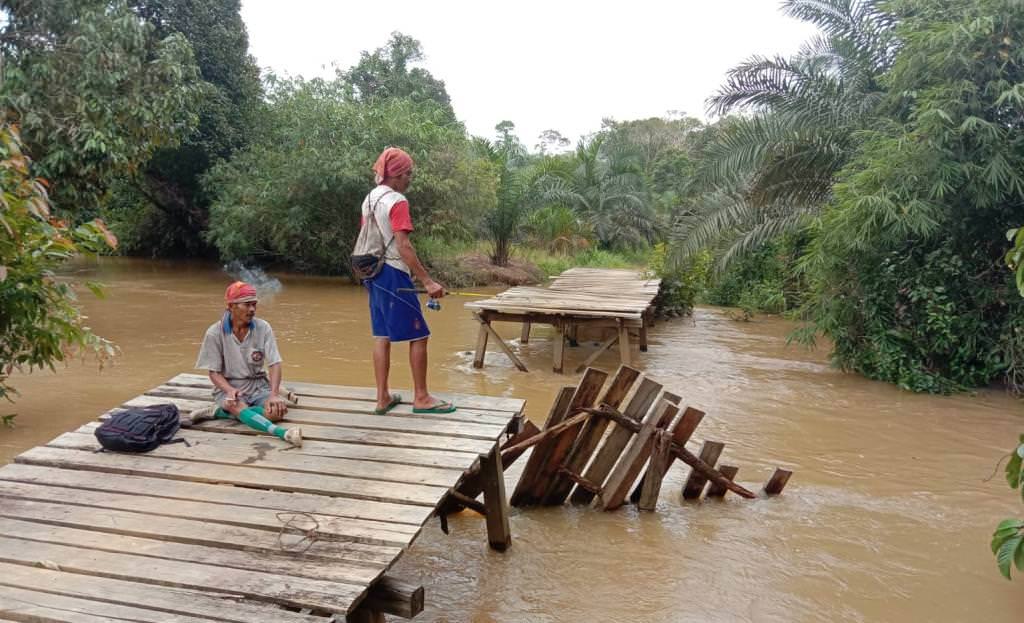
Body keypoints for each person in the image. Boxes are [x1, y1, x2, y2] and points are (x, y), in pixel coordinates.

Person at [355, 147, 456, 415]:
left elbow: (367, 236)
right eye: (408, 173)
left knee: (381, 335)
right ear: (397, 174)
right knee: (420, 334)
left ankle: (382, 398)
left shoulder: (369, 199)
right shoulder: (397, 200)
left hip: (371, 273)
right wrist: (428, 282)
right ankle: (421, 398)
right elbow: (403, 245)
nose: (410, 178)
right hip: (393, 273)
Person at [189, 281, 302, 446]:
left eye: (254, 304)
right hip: (230, 387)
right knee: (237, 406)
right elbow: (214, 373)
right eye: (247, 305)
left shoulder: (263, 328)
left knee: (278, 413)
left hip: (258, 385)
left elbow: (275, 363)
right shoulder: (214, 333)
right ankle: (283, 434)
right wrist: (229, 390)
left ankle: (219, 412)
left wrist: (274, 394)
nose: (252, 310)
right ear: (231, 306)